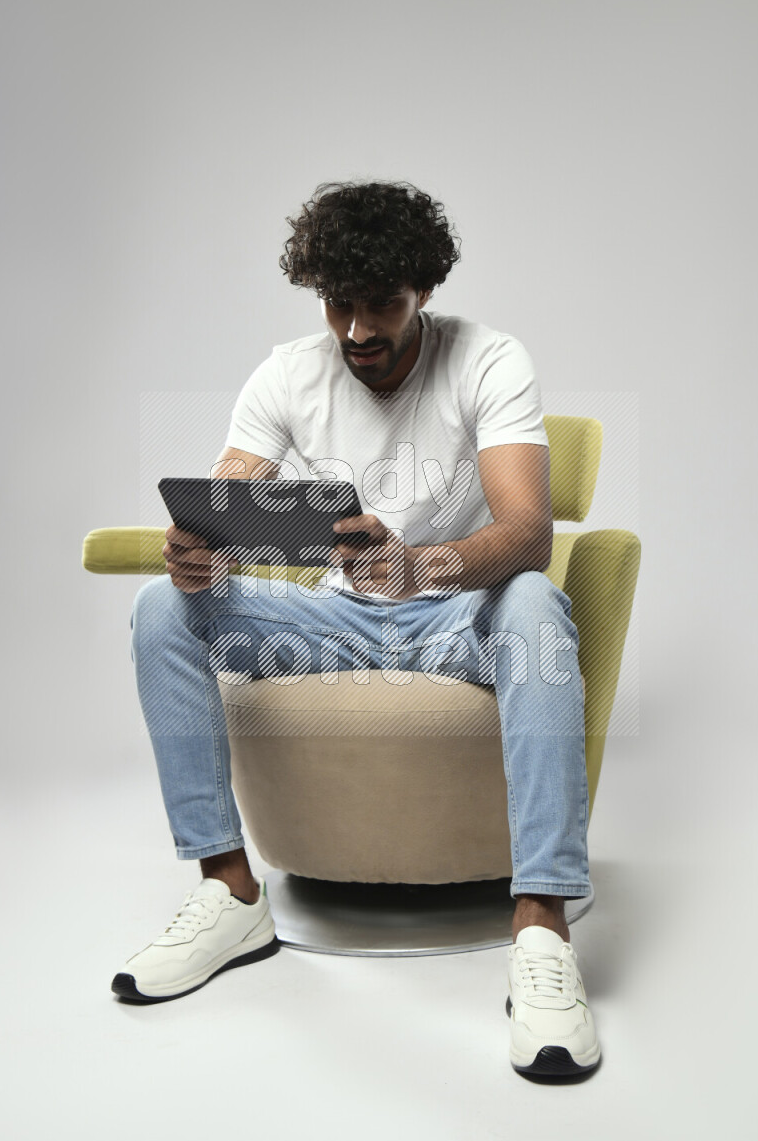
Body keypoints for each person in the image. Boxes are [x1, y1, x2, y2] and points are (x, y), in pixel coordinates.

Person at [116, 179, 601, 1079]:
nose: (358, 331)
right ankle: (229, 892)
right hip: (337, 615)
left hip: (461, 614)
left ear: (423, 291)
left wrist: (418, 567)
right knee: (160, 607)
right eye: (340, 305)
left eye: (382, 304)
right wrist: (202, 550)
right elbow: (226, 500)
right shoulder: (287, 372)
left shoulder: (489, 360)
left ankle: (541, 925)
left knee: (536, 603)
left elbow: (529, 533)